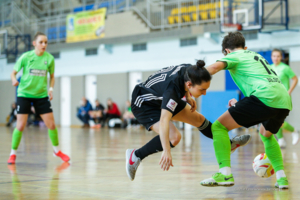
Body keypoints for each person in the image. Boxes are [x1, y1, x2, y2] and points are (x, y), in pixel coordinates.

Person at [125, 60, 251, 181]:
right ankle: (135, 156)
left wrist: (188, 96)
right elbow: (164, 120)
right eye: (202, 90)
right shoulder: (172, 91)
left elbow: (180, 80)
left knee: (199, 119)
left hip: (160, 96)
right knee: (173, 137)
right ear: (189, 85)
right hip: (144, 103)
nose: (205, 93)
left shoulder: (192, 71)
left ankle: (227, 144)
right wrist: (167, 150)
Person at [200, 32, 291, 189]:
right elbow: (261, 84)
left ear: (227, 51)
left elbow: (214, 68)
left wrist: (188, 77)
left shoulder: (234, 55)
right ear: (245, 47)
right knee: (266, 133)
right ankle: (282, 178)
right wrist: (242, 103)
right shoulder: (255, 56)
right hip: (283, 100)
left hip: (264, 97)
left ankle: (225, 173)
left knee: (218, 127)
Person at [7, 32, 70, 164]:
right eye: (41, 42)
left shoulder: (50, 59)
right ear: (34, 43)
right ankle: (13, 154)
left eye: (46, 42)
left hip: (41, 95)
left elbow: (52, 77)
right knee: (20, 125)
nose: (44, 45)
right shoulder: (26, 57)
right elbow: (13, 73)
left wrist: (51, 89)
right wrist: (13, 80)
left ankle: (56, 151)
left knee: (51, 124)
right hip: (24, 94)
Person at [270, 49, 299, 148]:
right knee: (273, 119)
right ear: (271, 57)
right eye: (274, 56)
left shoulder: (285, 68)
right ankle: (281, 140)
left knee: (277, 120)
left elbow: (295, 79)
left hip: (284, 98)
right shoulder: (269, 68)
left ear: (281, 57)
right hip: (274, 97)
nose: (276, 58)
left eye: (278, 56)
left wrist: (289, 91)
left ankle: (293, 131)